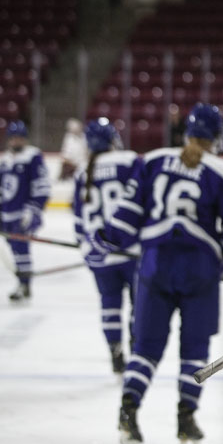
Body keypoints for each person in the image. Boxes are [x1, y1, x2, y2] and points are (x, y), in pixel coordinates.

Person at [98, 103, 223, 444]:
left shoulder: (151, 160)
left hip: (154, 263)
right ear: (218, 137)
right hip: (200, 269)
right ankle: (186, 420)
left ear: (186, 133)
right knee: (194, 349)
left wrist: (110, 238)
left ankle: (128, 412)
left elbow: (127, 215)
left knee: (146, 347)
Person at [72, 118, 142, 374]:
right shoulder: (130, 161)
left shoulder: (82, 172)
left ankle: (115, 352)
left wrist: (86, 246)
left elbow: (79, 220)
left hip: (100, 257)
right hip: (132, 251)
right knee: (139, 304)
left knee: (109, 305)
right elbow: (142, 203)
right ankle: (137, 352)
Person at [0, 120, 51, 302]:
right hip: (8, 216)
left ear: (25, 139)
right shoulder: (4, 161)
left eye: (19, 138)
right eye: (13, 138)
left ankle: (24, 284)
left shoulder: (33, 156)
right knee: (16, 251)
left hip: (23, 214)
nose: (16, 141)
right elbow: (2, 190)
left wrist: (34, 210)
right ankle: (22, 281)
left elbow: (42, 186)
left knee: (22, 249)